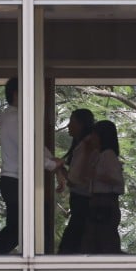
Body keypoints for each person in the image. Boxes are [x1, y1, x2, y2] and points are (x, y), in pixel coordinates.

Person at [0, 77, 63, 255]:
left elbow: (35, 146)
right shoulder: (14, 118)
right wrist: (52, 165)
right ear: (16, 94)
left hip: (15, 181)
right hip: (15, 181)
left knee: (20, 227)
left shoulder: (15, 117)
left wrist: (54, 164)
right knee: (18, 229)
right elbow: (28, 149)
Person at [80, 120, 124, 254]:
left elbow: (116, 179)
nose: (92, 137)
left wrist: (98, 176)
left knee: (104, 239)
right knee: (96, 239)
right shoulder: (98, 154)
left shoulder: (108, 155)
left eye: (95, 134)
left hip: (105, 200)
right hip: (98, 200)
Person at [57, 108, 95, 254]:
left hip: (83, 201)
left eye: (72, 122)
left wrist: (60, 168)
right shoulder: (84, 145)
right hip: (82, 201)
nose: (68, 125)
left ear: (81, 124)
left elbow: (76, 179)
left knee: (71, 243)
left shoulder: (85, 146)